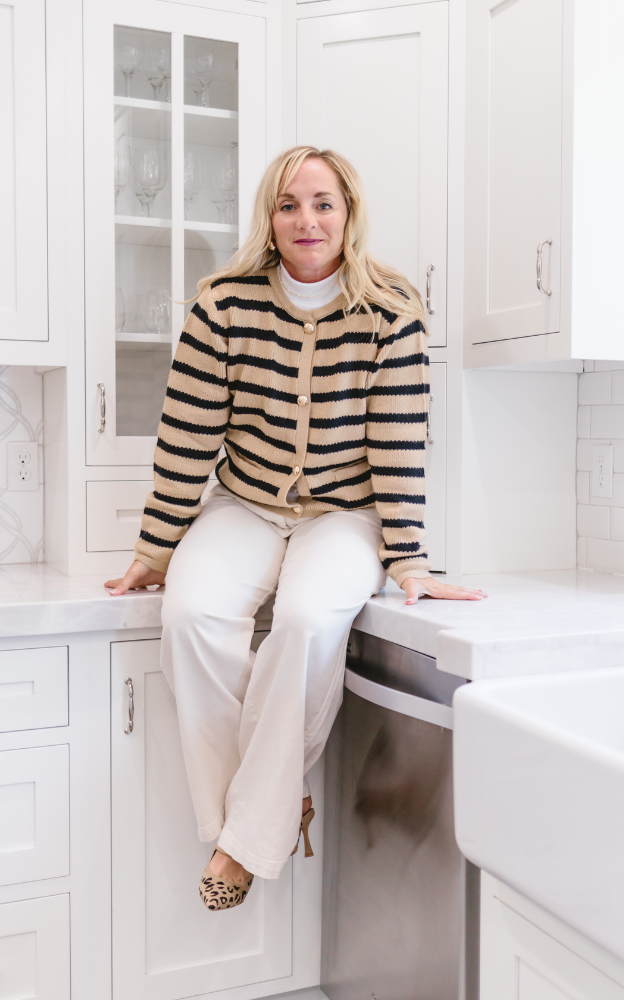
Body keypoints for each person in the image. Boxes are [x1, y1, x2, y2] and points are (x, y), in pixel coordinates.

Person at [105, 145, 486, 911]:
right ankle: (262, 820)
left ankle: (240, 844)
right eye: (288, 204)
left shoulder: (392, 311)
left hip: (345, 514)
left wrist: (406, 558)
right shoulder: (223, 304)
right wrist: (155, 548)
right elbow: (187, 437)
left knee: (310, 622)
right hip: (244, 503)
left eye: (322, 203)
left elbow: (399, 442)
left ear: (350, 214)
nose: (306, 219)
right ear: (268, 220)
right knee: (189, 613)